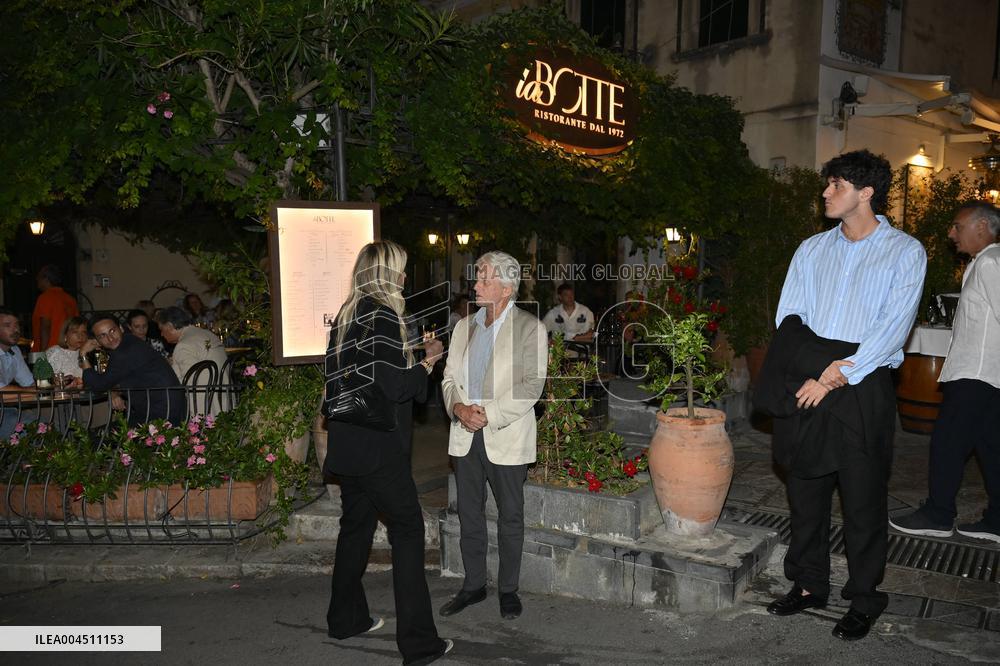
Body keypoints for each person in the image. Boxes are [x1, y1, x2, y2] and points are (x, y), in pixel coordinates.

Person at [760, 150, 926, 641]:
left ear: (865, 192)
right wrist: (819, 368)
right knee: (805, 493)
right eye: (827, 185)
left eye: (835, 185)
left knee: (863, 501)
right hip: (808, 381)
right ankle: (809, 585)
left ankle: (864, 597)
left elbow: (892, 330)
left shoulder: (904, 252)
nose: (826, 193)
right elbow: (789, 319)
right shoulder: (811, 250)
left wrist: (836, 372)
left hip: (862, 386)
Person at [324, 240, 453, 665]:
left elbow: (368, 377)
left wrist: (408, 361)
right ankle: (419, 644)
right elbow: (397, 387)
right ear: (387, 274)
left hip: (348, 446)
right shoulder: (382, 316)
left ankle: (345, 620)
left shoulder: (347, 316)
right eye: (400, 270)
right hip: (378, 450)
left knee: (355, 530)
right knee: (408, 531)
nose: (403, 278)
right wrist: (428, 363)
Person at [439, 251, 547, 621]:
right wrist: (458, 409)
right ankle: (473, 585)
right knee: (469, 513)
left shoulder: (531, 329)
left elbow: (532, 385)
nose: (476, 284)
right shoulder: (462, 327)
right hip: (465, 432)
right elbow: (449, 379)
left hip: (505, 432)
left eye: (484, 279)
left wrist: (489, 414)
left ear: (505, 288)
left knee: (510, 516)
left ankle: (508, 590)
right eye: (478, 278)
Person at [889, 202, 1000, 543]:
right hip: (986, 375)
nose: (951, 233)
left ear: (982, 227)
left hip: (976, 375)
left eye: (957, 226)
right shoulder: (985, 262)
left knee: (948, 444)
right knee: (991, 447)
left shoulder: (991, 263)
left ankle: (938, 514)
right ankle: (997, 521)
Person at [81, 316, 184, 426]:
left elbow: (97, 385)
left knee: (103, 435)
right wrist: (113, 392)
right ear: (97, 341)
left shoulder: (124, 351)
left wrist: (83, 355)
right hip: (165, 408)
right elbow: (121, 378)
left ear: (121, 328)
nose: (110, 338)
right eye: (102, 336)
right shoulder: (130, 341)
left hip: (162, 415)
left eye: (112, 331)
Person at [155, 306, 227, 381]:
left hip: (205, 391)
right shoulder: (208, 333)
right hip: (226, 389)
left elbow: (189, 383)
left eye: (162, 329)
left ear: (170, 326)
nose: (161, 334)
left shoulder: (183, 346)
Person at [0, 308, 36, 438]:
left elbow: (29, 384)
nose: (15, 330)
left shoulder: (15, 351)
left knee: (43, 421)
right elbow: (2, 393)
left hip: (6, 409)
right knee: (32, 426)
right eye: (7, 325)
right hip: (4, 411)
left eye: (17, 325)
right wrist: (38, 392)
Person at [31, 265, 79, 352]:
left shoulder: (45, 297)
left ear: (46, 279)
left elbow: (45, 327)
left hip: (51, 350)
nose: (36, 280)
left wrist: (43, 354)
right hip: (69, 349)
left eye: (38, 278)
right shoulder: (70, 299)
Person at [45, 316, 89, 384]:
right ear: (65, 335)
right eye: (75, 332)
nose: (80, 336)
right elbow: (46, 381)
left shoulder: (87, 353)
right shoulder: (55, 352)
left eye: (84, 332)